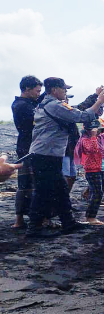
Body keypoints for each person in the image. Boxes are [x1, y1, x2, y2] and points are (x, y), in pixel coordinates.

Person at [27, 78, 104, 238]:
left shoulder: (48, 104)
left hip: (47, 154)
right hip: (45, 155)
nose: (65, 92)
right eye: (63, 89)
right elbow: (82, 116)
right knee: (43, 192)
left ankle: (68, 222)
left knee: (61, 189)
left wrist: (94, 97)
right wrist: (98, 102)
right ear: (54, 90)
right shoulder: (54, 105)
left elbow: (75, 110)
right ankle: (34, 228)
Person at [11, 75, 42, 229]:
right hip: (28, 148)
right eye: (37, 91)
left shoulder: (26, 103)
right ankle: (20, 220)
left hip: (26, 146)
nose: (39, 93)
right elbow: (39, 117)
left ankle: (20, 220)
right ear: (27, 89)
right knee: (28, 184)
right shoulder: (22, 105)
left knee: (26, 184)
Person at [74, 119, 104, 225]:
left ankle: (90, 213)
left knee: (99, 191)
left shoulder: (100, 137)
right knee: (97, 193)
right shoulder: (85, 140)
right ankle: (90, 217)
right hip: (92, 169)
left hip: (100, 167)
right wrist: (93, 136)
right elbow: (92, 150)